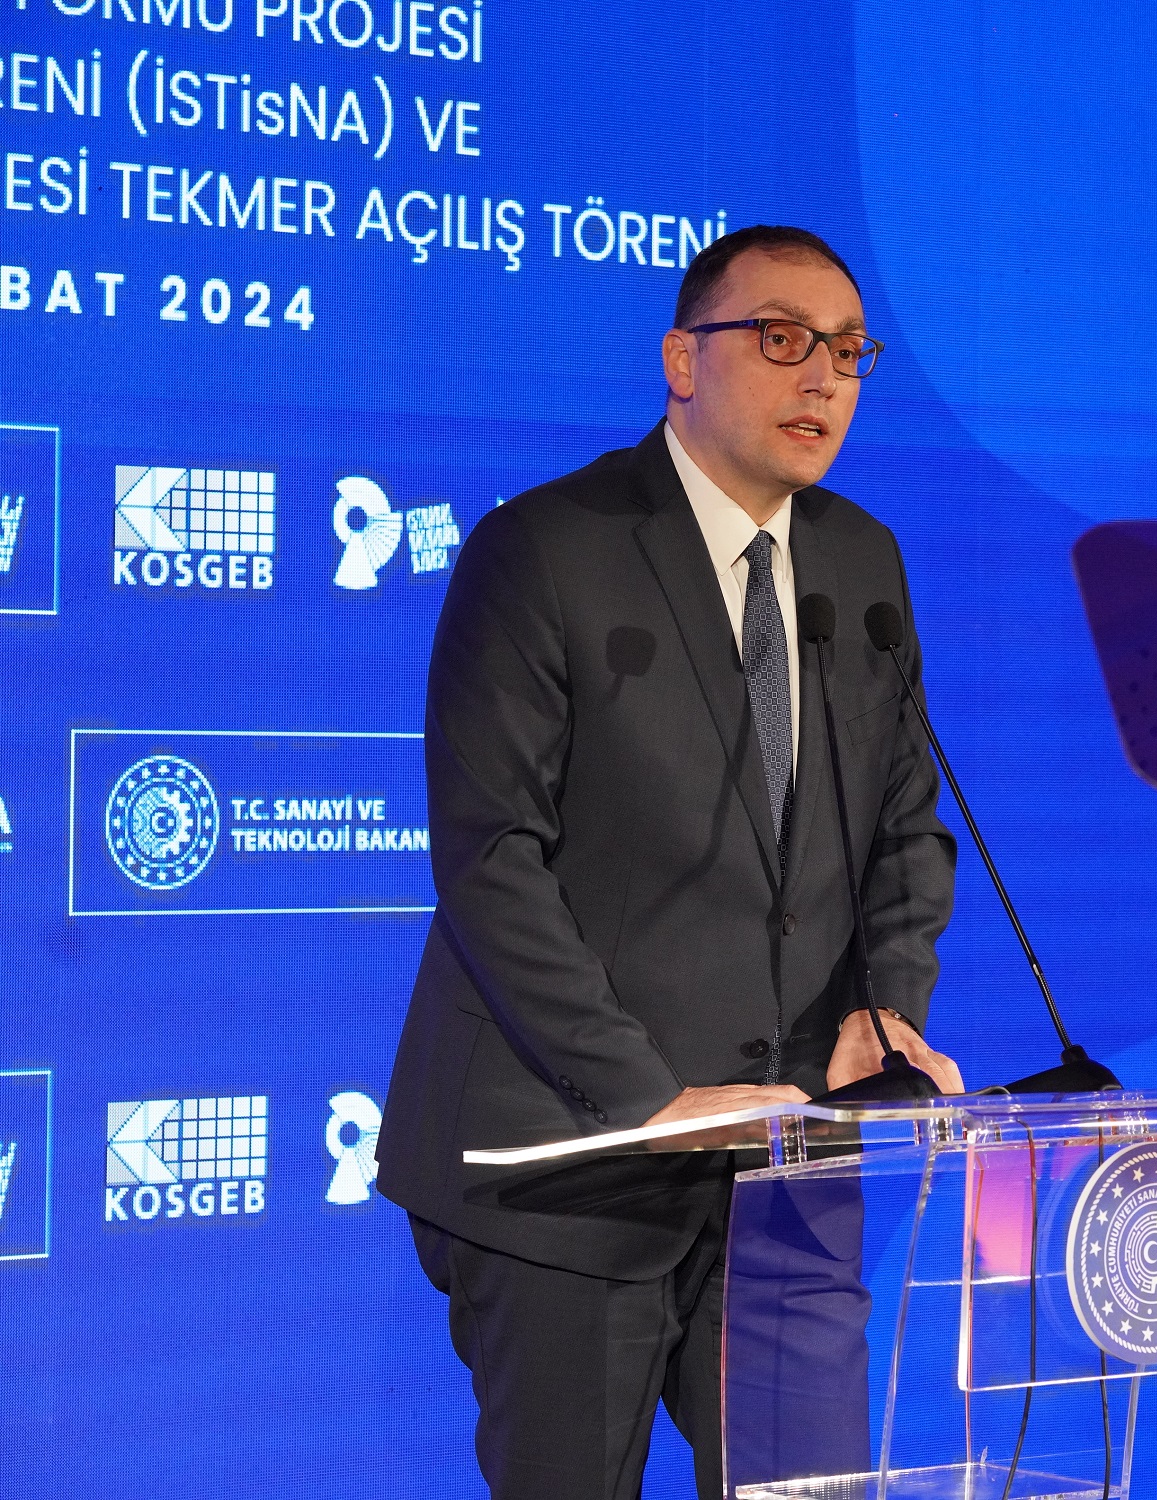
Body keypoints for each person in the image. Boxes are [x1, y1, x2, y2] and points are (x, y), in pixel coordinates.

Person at [375, 224, 962, 1500]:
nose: (823, 377)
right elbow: (490, 857)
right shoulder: (548, 547)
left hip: (790, 1159)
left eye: (848, 351)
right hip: (574, 1167)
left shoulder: (861, 562)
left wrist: (886, 1007)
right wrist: (642, 1094)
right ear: (681, 361)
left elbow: (905, 826)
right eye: (781, 339)